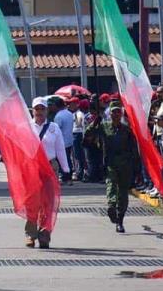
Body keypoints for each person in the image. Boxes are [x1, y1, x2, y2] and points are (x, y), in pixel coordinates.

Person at [87, 101, 140, 233]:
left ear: (121, 113)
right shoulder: (104, 127)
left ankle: (120, 220)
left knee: (123, 193)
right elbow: (88, 136)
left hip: (125, 164)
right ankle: (111, 207)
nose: (116, 114)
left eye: (118, 112)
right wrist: (95, 123)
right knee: (111, 185)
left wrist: (137, 168)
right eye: (113, 112)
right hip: (110, 162)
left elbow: (134, 149)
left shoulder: (127, 129)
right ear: (109, 113)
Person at [27, 97, 70, 248]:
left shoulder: (53, 127)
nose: (39, 112)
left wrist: (66, 169)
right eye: (36, 109)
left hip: (50, 166)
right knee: (33, 201)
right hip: (32, 167)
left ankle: (45, 234)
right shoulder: (26, 127)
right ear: (32, 110)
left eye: (42, 109)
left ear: (47, 110)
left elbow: (60, 149)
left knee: (49, 201)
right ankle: (31, 234)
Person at [52, 96, 75, 183]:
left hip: (61, 142)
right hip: (69, 140)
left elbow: (56, 130)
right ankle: (68, 176)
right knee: (68, 158)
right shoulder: (69, 113)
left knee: (61, 160)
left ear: (57, 106)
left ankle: (65, 176)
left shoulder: (58, 116)